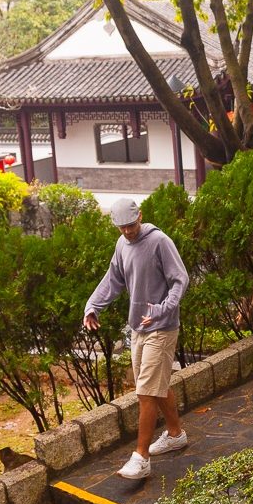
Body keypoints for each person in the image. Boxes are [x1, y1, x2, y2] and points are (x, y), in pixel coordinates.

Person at [84, 198, 190, 480]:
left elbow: (180, 279)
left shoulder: (159, 241)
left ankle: (141, 458)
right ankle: (175, 434)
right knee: (157, 385)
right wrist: (93, 306)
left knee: (146, 392)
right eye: (122, 227)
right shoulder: (122, 245)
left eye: (131, 225)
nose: (128, 231)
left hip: (162, 327)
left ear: (140, 216)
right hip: (138, 328)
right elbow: (113, 279)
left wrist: (163, 309)